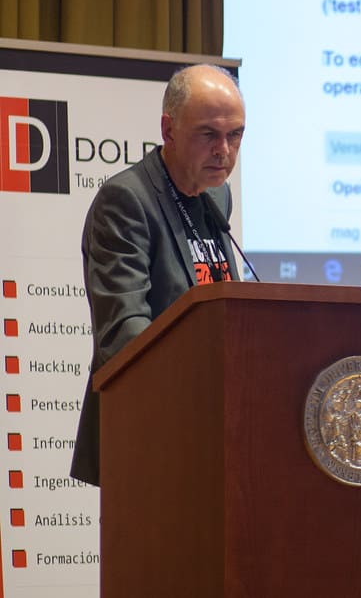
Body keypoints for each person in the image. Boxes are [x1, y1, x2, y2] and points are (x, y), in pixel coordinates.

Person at [70, 64, 246, 486]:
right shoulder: (126, 201)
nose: (223, 150)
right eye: (208, 134)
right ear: (168, 130)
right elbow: (124, 334)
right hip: (148, 434)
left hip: (214, 430)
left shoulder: (216, 194)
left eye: (235, 135)